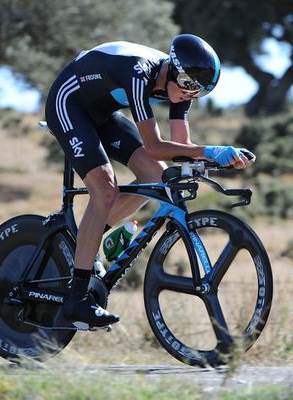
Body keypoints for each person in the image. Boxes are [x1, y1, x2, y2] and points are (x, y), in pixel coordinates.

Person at [44, 34, 255, 329]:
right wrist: (211, 151)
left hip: (103, 113)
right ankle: (76, 300)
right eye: (188, 87)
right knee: (105, 189)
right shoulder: (139, 72)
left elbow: (181, 149)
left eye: (198, 93)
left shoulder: (182, 86)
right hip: (68, 103)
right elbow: (156, 146)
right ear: (173, 70)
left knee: (158, 176)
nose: (189, 96)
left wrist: (222, 158)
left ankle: (85, 244)